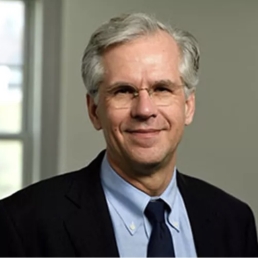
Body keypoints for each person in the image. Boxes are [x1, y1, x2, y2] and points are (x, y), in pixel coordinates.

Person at [0, 12, 257, 257]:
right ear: (94, 111)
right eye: (123, 91)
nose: (145, 110)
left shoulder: (234, 222)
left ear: (188, 107)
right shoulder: (22, 223)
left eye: (162, 89)